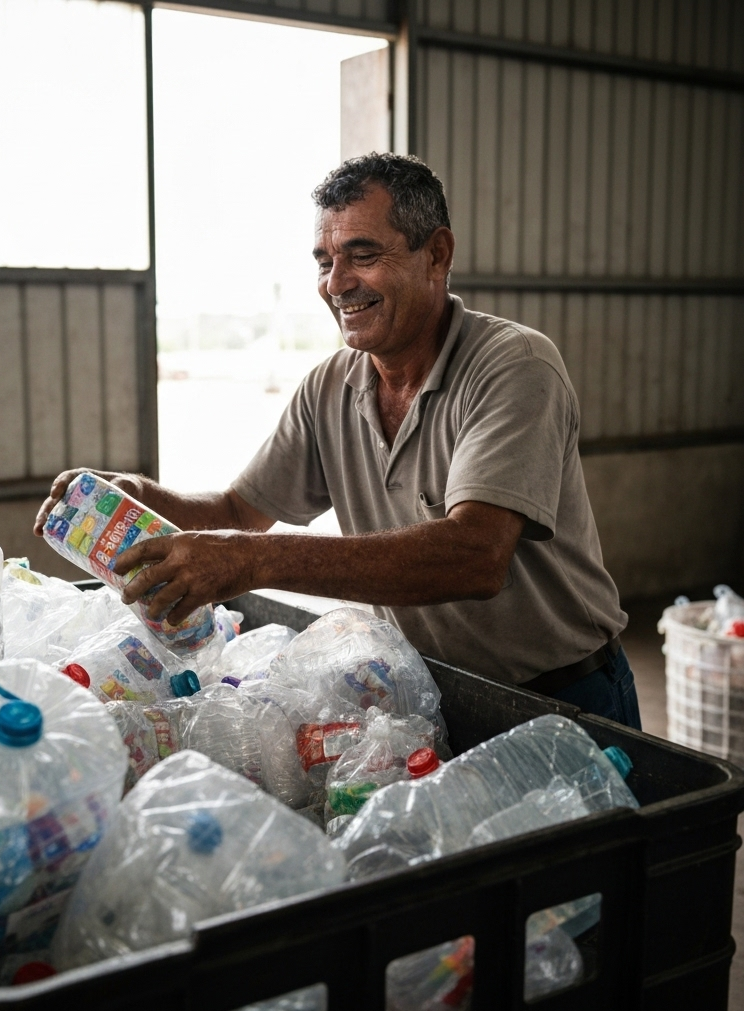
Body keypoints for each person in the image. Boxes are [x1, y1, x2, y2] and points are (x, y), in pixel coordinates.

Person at [34, 153, 641, 729]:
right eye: (324, 262)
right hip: (427, 692)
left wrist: (250, 561)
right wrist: (138, 498)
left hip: (561, 697)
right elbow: (238, 514)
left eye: (363, 255)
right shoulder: (330, 386)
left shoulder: (514, 365)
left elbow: (475, 555)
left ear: (437, 254)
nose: (337, 283)